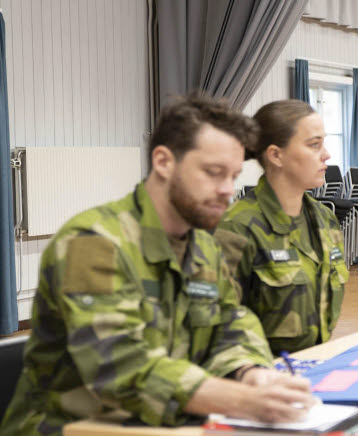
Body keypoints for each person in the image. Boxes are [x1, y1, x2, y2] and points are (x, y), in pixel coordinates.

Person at [1, 95, 316, 435]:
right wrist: (239, 399)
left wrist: (252, 372)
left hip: (160, 423)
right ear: (164, 161)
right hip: (72, 428)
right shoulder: (94, 244)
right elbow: (121, 369)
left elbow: (231, 324)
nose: (227, 190)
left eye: (234, 176)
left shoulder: (203, 249)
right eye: (213, 173)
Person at [215, 100, 348, 355]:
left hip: (314, 368)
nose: (326, 154)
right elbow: (218, 326)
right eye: (314, 145)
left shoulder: (325, 220)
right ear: (276, 155)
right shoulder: (237, 229)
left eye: (324, 143)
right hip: (262, 380)